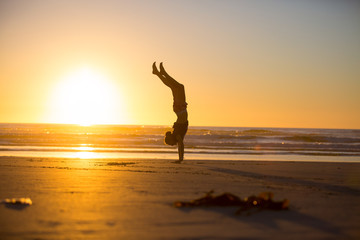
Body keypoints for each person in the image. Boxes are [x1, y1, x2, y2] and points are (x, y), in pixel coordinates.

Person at [152, 62, 188, 163]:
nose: (173, 145)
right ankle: (160, 73)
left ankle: (160, 73)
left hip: (180, 110)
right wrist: (180, 158)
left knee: (178, 87)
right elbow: (180, 146)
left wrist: (180, 159)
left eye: (171, 144)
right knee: (177, 87)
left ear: (172, 139)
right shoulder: (177, 135)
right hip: (179, 110)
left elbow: (181, 146)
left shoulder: (177, 135)